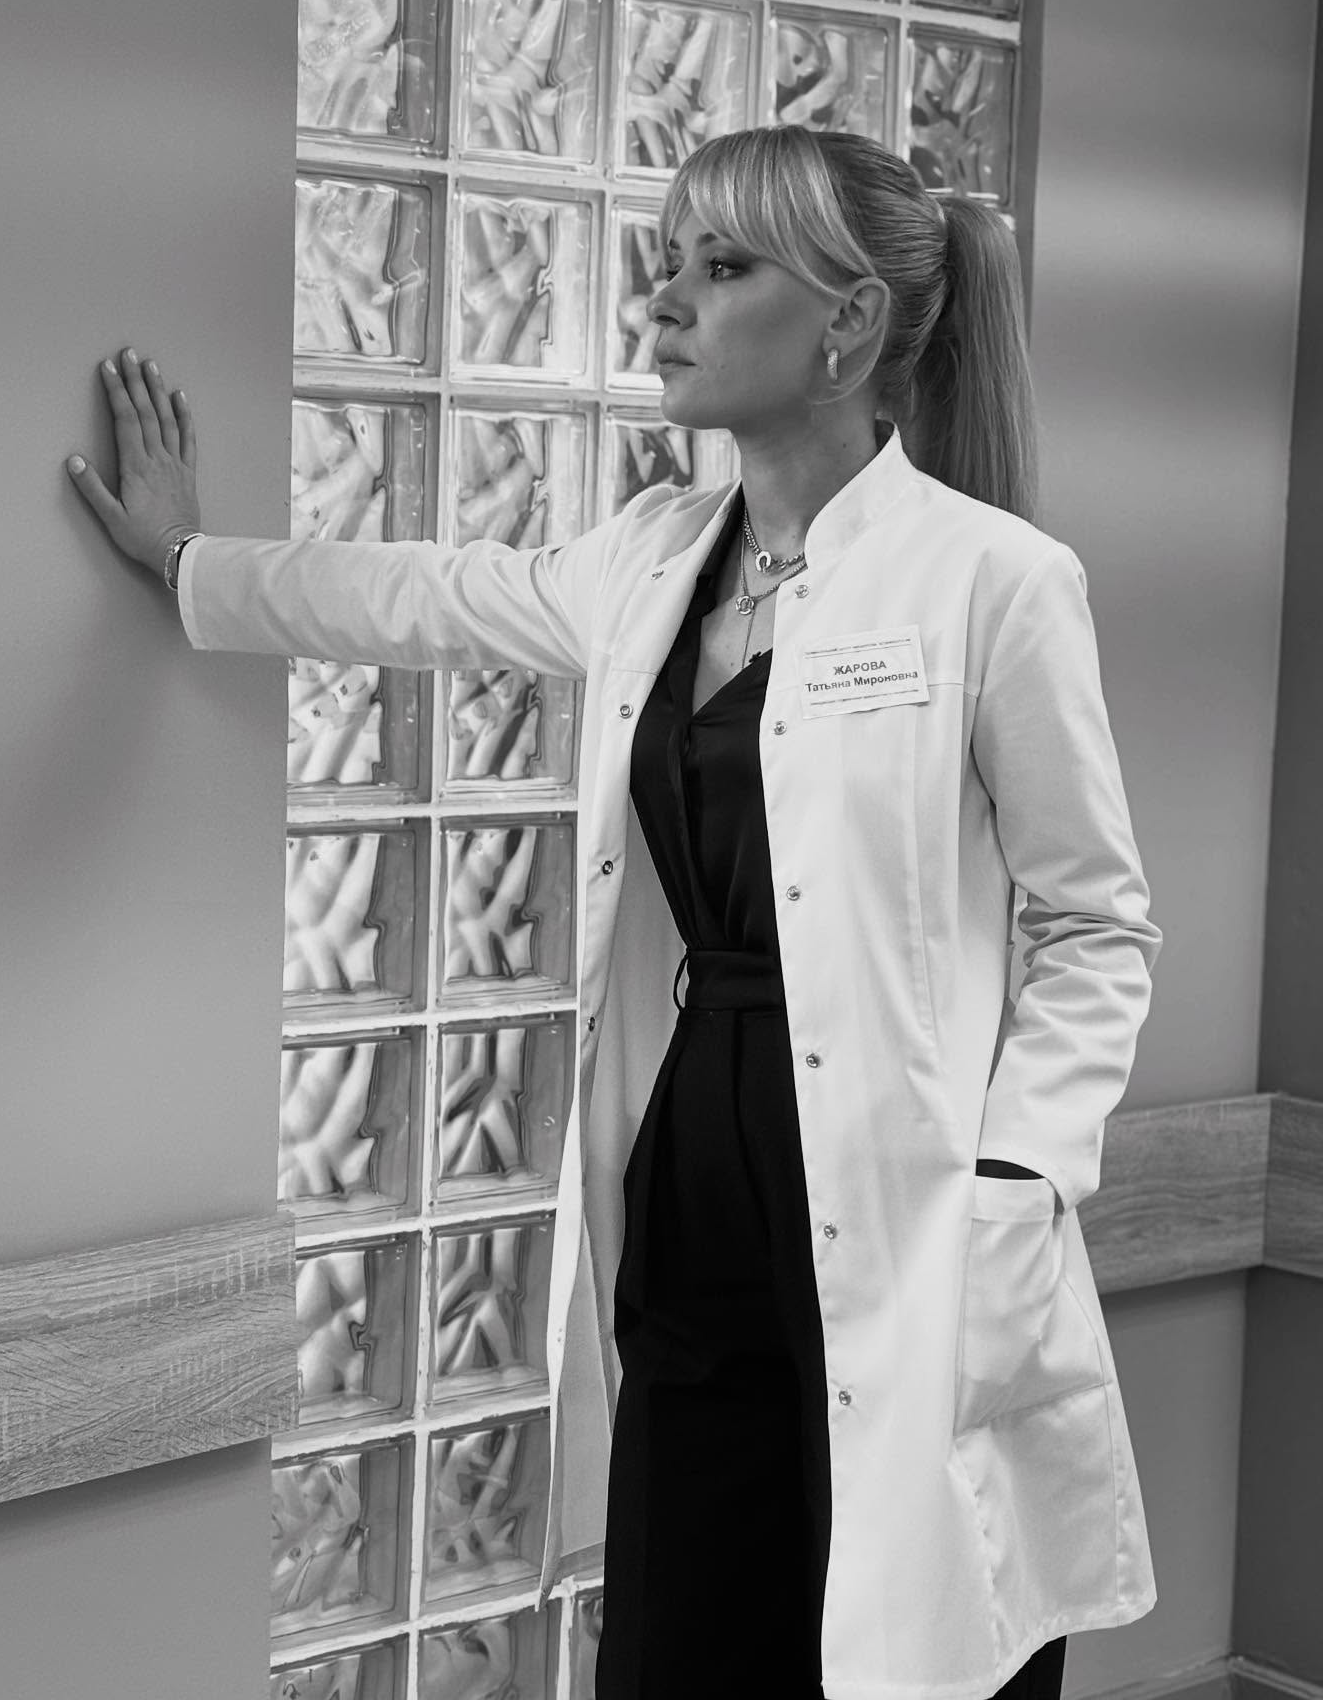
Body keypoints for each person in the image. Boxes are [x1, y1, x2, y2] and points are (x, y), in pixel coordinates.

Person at [65, 125, 1161, 1700]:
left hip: (913, 1197)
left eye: (723, 267)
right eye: (668, 261)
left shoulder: (993, 582)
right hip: (692, 1161)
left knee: (917, 1636)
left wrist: (1020, 1176)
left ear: (848, 326)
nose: (666, 300)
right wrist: (185, 560)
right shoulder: (653, 561)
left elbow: (1094, 923)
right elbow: (421, 595)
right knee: (683, 1624)